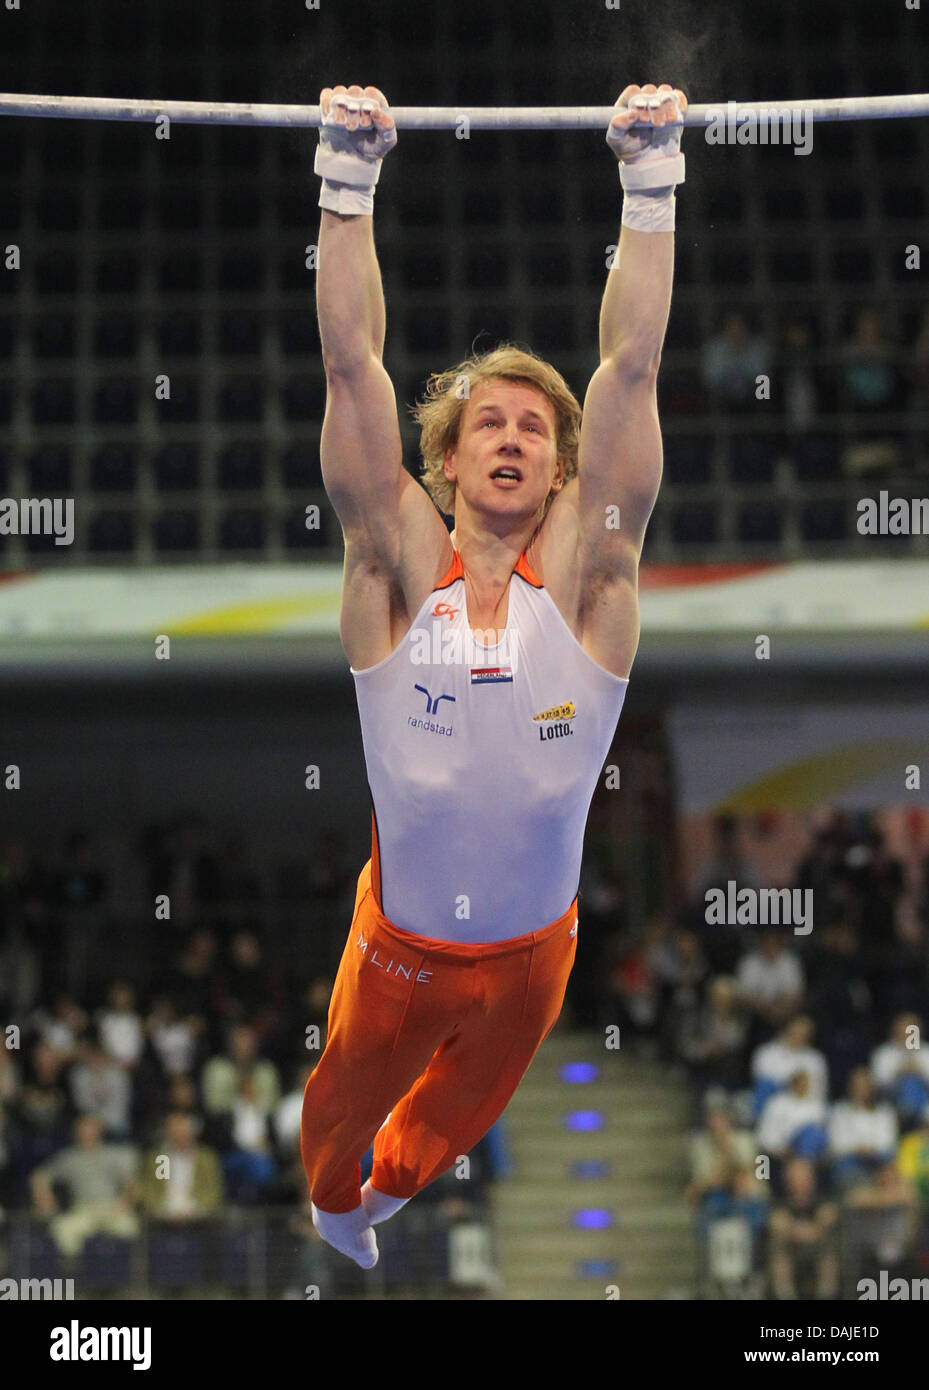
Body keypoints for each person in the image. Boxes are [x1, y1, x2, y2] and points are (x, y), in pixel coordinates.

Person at [300, 79, 687, 1267]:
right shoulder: (393, 565)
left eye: (534, 425)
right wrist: (346, 180)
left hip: (531, 954)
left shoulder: (588, 579)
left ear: (563, 467)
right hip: (400, 948)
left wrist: (649, 178)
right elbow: (352, 365)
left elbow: (626, 370)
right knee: (333, 1140)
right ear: (447, 461)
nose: (514, 436)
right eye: (489, 424)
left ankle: (386, 1194)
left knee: (439, 1135)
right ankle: (336, 1204)